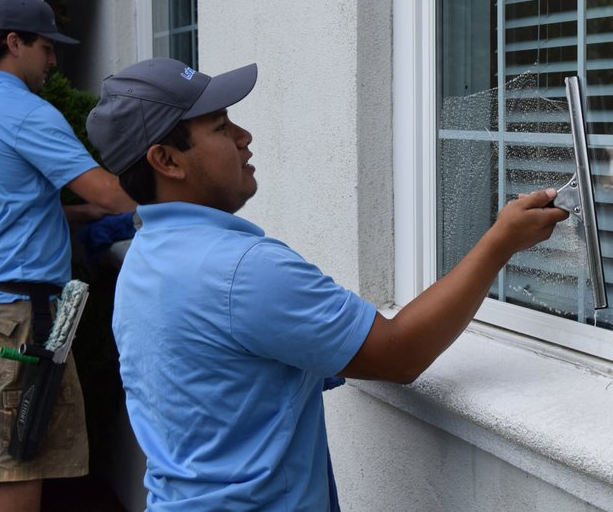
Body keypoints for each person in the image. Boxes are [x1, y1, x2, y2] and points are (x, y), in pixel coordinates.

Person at [85, 57, 567, 511]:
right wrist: (500, 242)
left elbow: (243, 374)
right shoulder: (241, 269)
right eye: (220, 127)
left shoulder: (146, 260)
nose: (244, 136)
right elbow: (398, 355)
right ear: (167, 160)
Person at [0, 0, 137, 511]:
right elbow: (110, 193)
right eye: (45, 48)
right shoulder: (25, 112)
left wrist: (71, 215)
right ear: (13, 43)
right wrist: (187, 201)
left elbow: (2, 205)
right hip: (23, 318)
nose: (52, 61)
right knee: (24, 455)